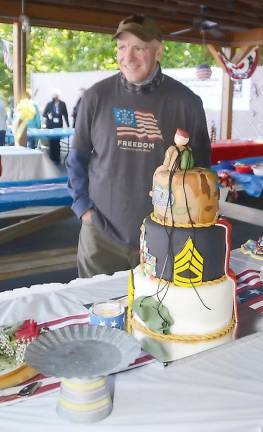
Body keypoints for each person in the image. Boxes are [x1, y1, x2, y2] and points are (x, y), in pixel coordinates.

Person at [66, 14, 211, 278]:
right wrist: (83, 209)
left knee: (158, 313)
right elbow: (76, 158)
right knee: (99, 312)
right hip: (101, 236)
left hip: (165, 234)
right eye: (122, 47)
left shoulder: (187, 103)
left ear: (158, 50)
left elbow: (200, 173)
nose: (128, 57)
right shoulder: (95, 97)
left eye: (138, 48)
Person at [43, 89, 69, 163]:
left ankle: (57, 157)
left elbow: (65, 115)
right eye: (53, 96)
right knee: (51, 142)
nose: (54, 97)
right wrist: (49, 116)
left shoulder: (62, 104)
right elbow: (44, 114)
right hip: (50, 125)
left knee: (57, 142)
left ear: (58, 96)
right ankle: (52, 158)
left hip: (58, 125)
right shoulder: (49, 104)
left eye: (56, 96)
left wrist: (68, 125)